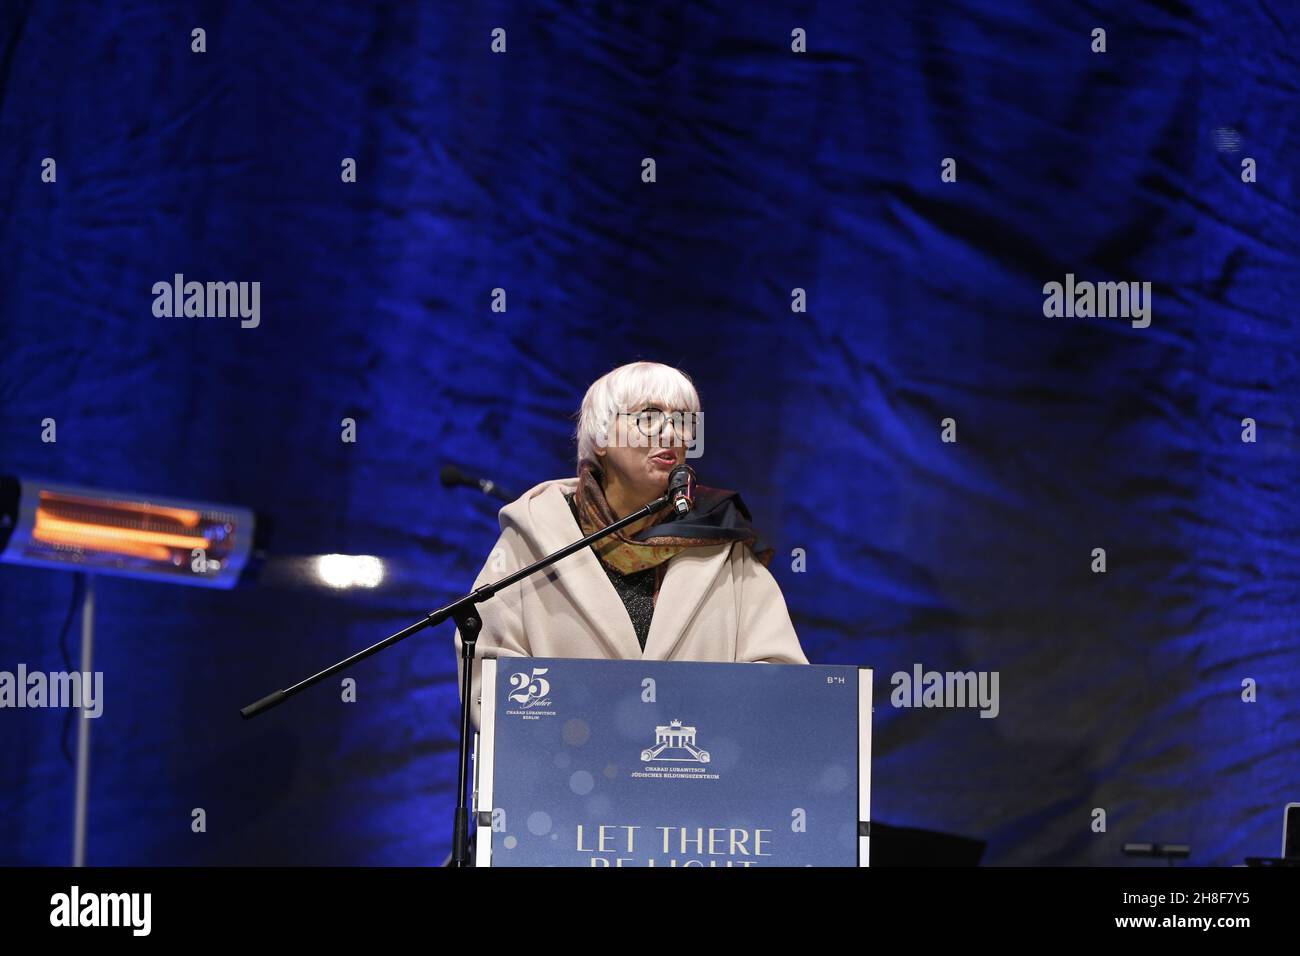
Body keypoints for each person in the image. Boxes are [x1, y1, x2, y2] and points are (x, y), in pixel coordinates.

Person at [455, 361, 808, 728]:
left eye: (684, 421)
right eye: (649, 417)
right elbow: (488, 668)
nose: (672, 434)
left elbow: (780, 676)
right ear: (602, 436)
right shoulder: (535, 536)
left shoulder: (721, 538)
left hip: (691, 771)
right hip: (565, 771)